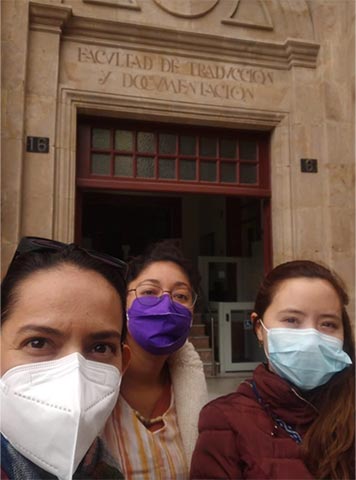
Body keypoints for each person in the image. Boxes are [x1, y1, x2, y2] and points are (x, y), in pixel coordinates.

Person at [190, 260, 355, 480]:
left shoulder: (349, 408)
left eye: (327, 324)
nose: (311, 338)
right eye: (292, 320)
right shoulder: (224, 421)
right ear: (259, 328)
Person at [1, 236, 130, 480]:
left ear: (124, 364)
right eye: (38, 342)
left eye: (101, 348)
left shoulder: (108, 472)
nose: (75, 376)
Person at [102, 240, 208, 479]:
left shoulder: (195, 401)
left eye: (181, 295)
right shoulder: (91, 389)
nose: (166, 304)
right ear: (122, 301)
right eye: (149, 292)